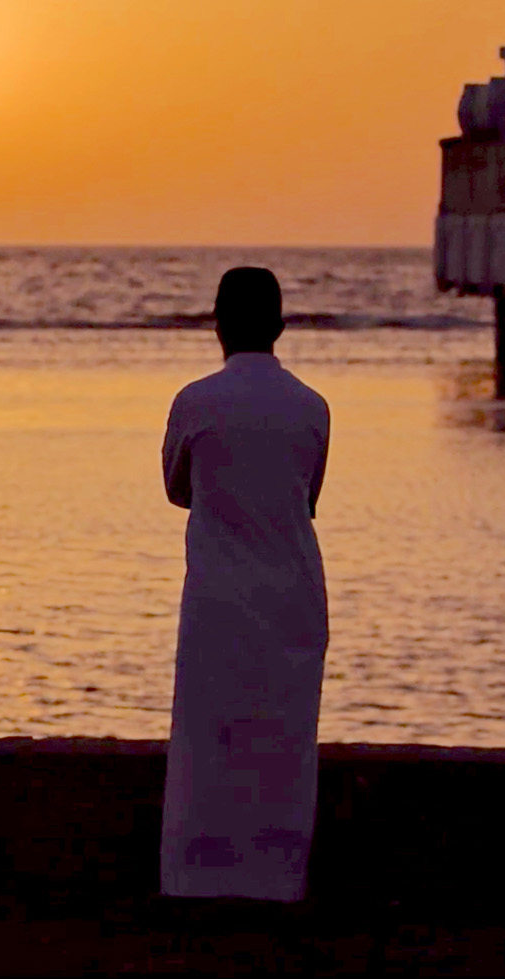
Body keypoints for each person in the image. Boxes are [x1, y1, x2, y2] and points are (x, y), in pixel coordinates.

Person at [159, 266, 330, 903]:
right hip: (291, 589)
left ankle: (197, 876)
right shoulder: (312, 406)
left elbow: (177, 489)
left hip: (217, 594)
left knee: (209, 736)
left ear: (218, 324)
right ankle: (276, 878)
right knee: (282, 739)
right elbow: (308, 496)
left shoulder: (195, 401)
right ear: (281, 326)